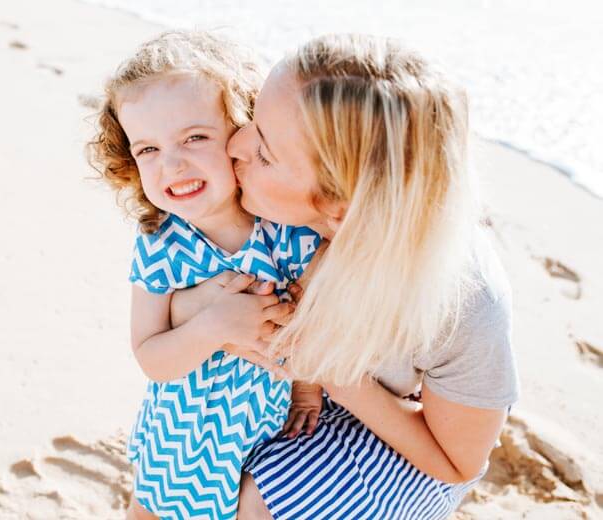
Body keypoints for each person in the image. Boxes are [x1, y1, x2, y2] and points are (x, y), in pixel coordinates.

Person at [171, 33, 519, 519]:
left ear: (340, 210)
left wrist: (328, 371)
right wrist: (202, 306)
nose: (236, 143)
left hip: (410, 433)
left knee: (264, 503)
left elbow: (456, 462)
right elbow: (164, 299)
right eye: (253, 118)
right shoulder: (273, 203)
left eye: (265, 152)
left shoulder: (462, 301)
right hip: (316, 388)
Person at [88, 30, 322, 519]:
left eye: (194, 137)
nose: (172, 164)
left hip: (264, 436)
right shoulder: (159, 243)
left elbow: (318, 319)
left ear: (242, 133)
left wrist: (306, 387)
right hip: (178, 442)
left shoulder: (289, 228)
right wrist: (214, 326)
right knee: (148, 512)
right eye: (147, 149)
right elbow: (151, 355)